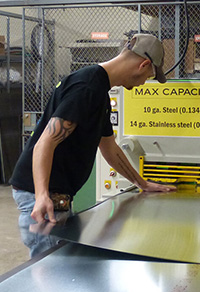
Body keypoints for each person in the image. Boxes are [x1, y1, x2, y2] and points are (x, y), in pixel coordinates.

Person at [10, 33, 176, 258]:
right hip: (43, 198)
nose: (144, 82)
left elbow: (110, 148)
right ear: (143, 64)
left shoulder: (99, 90)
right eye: (149, 75)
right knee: (51, 274)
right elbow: (44, 144)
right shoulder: (86, 88)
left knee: (65, 266)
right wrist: (41, 196)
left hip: (55, 194)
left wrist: (141, 183)